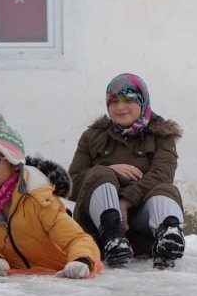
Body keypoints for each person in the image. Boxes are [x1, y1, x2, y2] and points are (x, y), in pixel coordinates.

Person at [68, 73, 186, 270]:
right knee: (100, 174)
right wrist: (109, 170)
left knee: (165, 189)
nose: (120, 107)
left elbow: (162, 173)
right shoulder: (92, 136)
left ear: (142, 100)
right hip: (98, 227)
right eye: (114, 101)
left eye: (128, 99)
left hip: (141, 222)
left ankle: (169, 236)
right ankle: (112, 236)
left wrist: (126, 201)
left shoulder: (161, 135)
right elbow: (71, 184)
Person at [0, 114, 100, 279]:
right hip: (20, 284)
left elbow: (77, 238)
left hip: (63, 280)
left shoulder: (38, 198)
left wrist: (81, 261)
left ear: (13, 163)